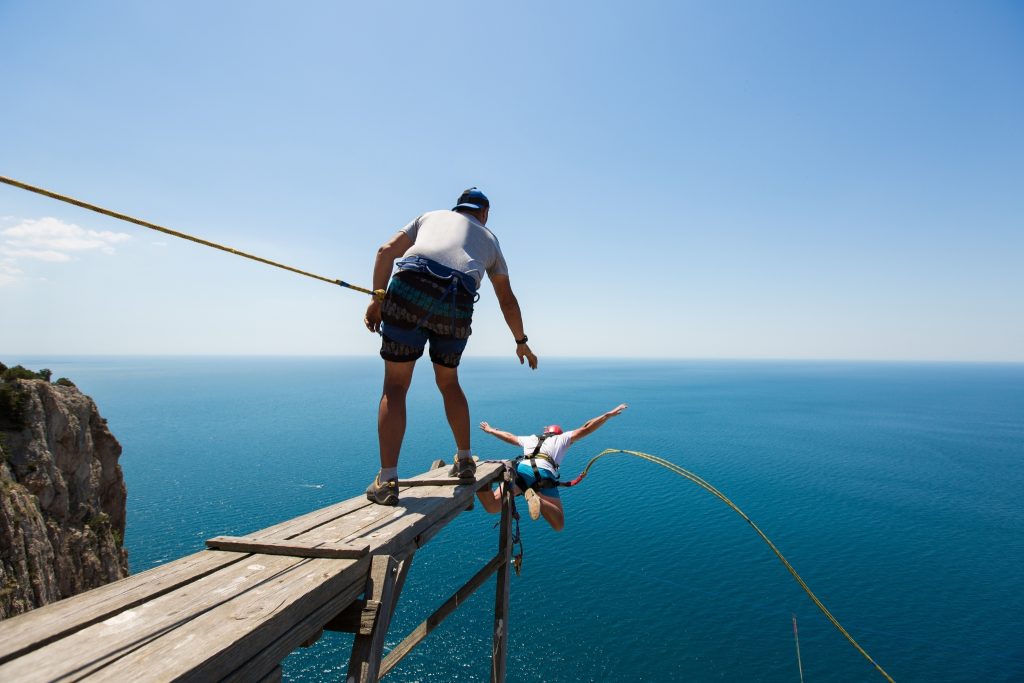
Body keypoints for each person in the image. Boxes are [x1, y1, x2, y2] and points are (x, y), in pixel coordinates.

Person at [363, 187, 538, 505]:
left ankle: (387, 480)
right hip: (456, 304)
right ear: (484, 213)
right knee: (448, 381)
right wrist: (521, 342)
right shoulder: (490, 239)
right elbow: (506, 299)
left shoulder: (429, 216)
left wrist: (377, 298)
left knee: (396, 386)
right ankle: (465, 460)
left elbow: (384, 251)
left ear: (457, 208)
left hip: (409, 290)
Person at [476, 404, 628, 530]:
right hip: (542, 474)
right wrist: (606, 416)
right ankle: (538, 500)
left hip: (520, 470)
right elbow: (586, 428)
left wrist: (491, 430)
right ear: (558, 433)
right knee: (558, 524)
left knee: (492, 506)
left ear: (545, 431)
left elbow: (509, 437)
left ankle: (477, 480)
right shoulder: (562, 438)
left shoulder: (531, 438)